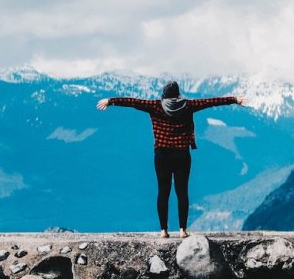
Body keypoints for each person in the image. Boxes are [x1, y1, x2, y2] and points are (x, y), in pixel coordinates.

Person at [96, 81, 245, 239]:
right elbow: (211, 102)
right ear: (178, 94)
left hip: (162, 155)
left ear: (164, 94)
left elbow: (133, 102)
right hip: (182, 155)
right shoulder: (188, 105)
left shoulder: (155, 106)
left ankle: (163, 231)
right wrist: (234, 99)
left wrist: (111, 101)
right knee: (182, 192)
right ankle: (182, 230)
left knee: (163, 192)